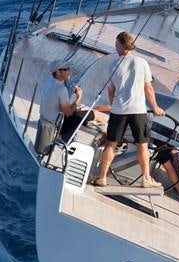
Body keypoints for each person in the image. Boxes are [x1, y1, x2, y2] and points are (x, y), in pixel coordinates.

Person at [94, 31, 164, 188]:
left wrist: (114, 105)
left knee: (111, 144)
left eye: (116, 44)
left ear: (120, 45)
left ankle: (102, 177)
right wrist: (155, 108)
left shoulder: (112, 66)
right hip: (138, 109)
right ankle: (146, 178)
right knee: (142, 144)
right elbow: (148, 88)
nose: (115, 47)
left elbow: (111, 91)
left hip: (119, 110)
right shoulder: (142, 63)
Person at [39, 62, 94, 143]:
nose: (69, 71)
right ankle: (65, 139)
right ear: (58, 72)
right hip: (54, 124)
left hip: (44, 119)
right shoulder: (61, 89)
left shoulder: (48, 82)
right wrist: (78, 97)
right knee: (80, 117)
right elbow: (68, 113)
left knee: (77, 112)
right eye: (66, 69)